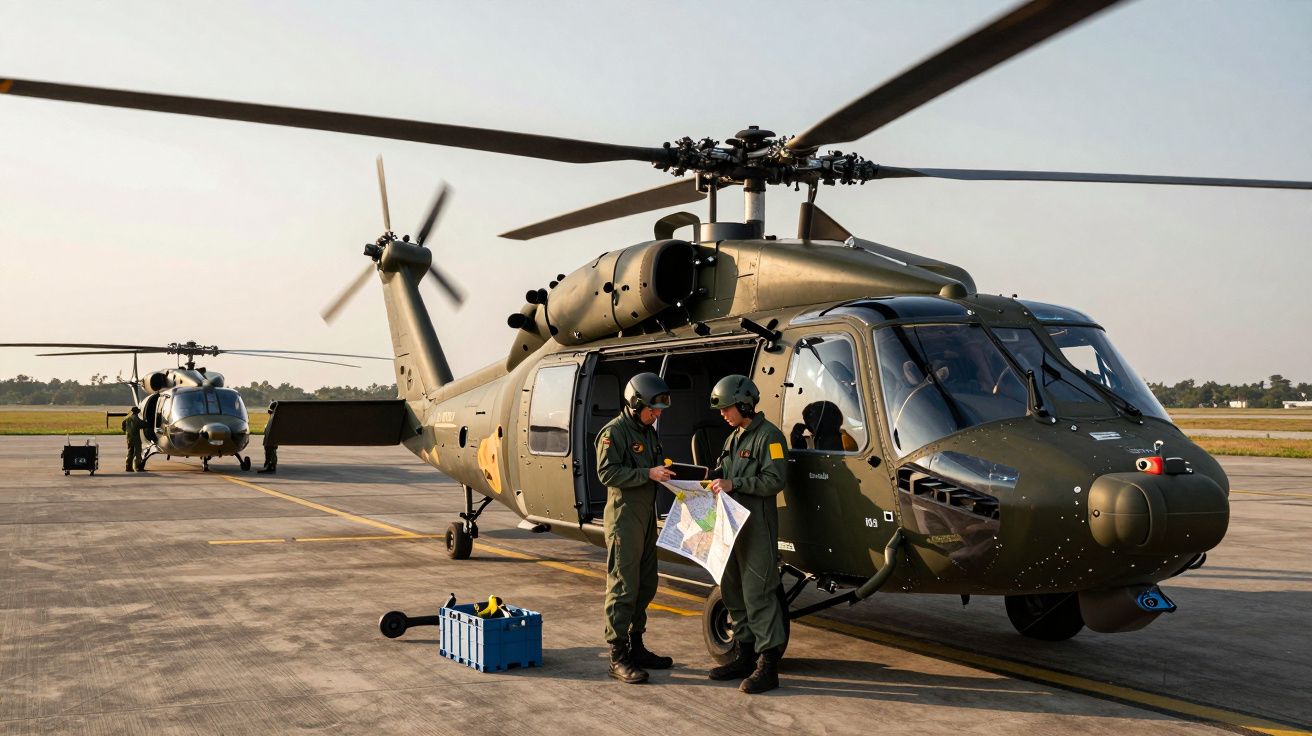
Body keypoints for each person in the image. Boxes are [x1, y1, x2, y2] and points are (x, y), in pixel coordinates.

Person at [707, 374, 789, 693]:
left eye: (727, 408)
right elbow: (723, 473)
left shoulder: (769, 438)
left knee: (759, 594)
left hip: (757, 528)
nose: (724, 414)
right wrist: (705, 481)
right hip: (732, 526)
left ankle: (768, 666)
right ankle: (744, 655)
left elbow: (775, 479)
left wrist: (735, 484)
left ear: (744, 404)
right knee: (733, 590)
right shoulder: (734, 438)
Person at [595, 372, 676, 684]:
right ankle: (617, 654)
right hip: (624, 518)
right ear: (634, 404)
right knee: (623, 586)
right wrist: (648, 474)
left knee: (645, 583)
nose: (656, 415)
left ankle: (636, 644)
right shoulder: (612, 433)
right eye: (652, 410)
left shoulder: (648, 432)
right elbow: (607, 472)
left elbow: (655, 467)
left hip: (644, 518)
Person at [121, 406, 146, 472]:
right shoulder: (136, 418)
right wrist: (148, 422)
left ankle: (128, 467)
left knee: (130, 452)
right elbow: (143, 424)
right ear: (136, 412)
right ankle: (138, 467)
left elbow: (123, 428)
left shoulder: (126, 418)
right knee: (137, 453)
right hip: (136, 437)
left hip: (129, 437)